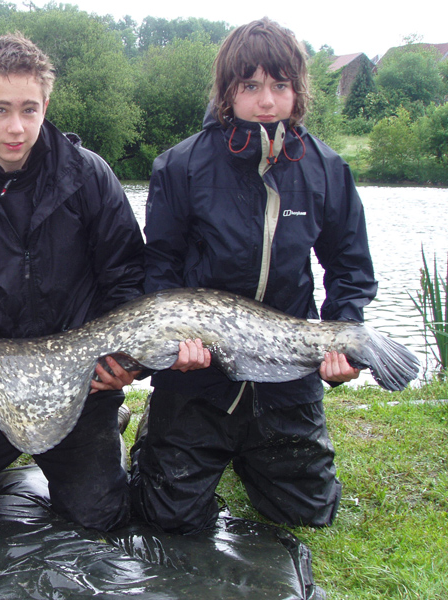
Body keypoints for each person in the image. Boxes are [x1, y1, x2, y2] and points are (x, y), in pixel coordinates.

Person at [130, 18, 377, 534]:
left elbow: (350, 267)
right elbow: (161, 269)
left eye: (280, 85)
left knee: (309, 514)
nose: (267, 100)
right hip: (198, 380)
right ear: (228, 92)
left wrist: (344, 335)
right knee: (166, 518)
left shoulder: (327, 170)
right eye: (251, 86)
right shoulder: (180, 166)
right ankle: (159, 428)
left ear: (297, 90)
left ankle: (256, 456)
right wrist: (175, 345)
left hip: (289, 380)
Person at [0, 32, 160, 532]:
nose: (16, 127)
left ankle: (114, 421)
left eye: (29, 109)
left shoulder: (90, 177)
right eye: (0, 109)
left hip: (82, 385)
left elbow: (127, 279)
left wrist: (123, 364)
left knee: (99, 519)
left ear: (46, 106)